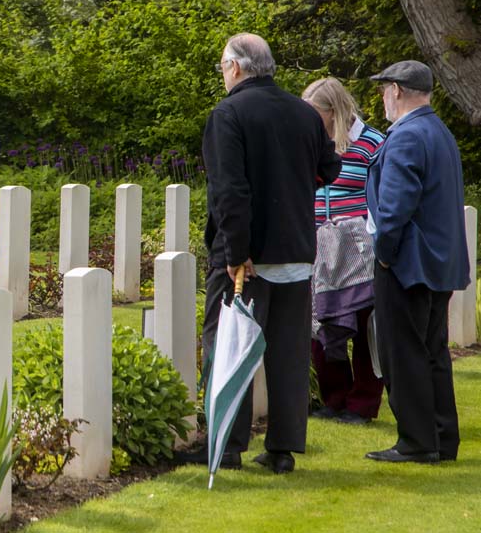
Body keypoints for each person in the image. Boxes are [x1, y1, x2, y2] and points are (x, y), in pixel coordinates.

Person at [184, 33, 341, 475]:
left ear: (235, 67)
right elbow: (329, 166)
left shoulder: (229, 113)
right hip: (295, 249)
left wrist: (236, 251)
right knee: (289, 352)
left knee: (229, 345)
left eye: (221, 66)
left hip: (246, 257)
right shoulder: (303, 113)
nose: (221, 74)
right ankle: (283, 448)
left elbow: (229, 191)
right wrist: (291, 185)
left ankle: (227, 445)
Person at [364, 61, 469, 464]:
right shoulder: (439, 131)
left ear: (396, 90)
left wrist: (384, 255)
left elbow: (393, 211)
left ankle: (416, 440)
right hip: (437, 263)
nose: (382, 99)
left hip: (408, 264)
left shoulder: (407, 136)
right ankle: (442, 437)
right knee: (432, 353)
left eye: (383, 90)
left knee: (402, 353)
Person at [302, 78, 386, 425]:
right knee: (321, 321)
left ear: (333, 111)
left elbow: (382, 193)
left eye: (315, 113)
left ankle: (362, 404)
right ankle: (334, 397)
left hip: (358, 248)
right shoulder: (309, 142)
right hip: (319, 242)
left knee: (365, 323)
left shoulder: (373, 143)